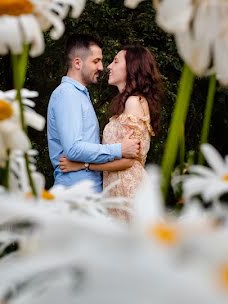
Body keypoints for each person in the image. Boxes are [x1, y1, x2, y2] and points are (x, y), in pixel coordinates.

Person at [59, 45, 163, 202]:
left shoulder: (134, 102)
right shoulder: (126, 104)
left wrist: (83, 165)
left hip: (129, 191)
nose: (108, 66)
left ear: (131, 67)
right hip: (116, 190)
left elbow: (128, 161)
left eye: (115, 61)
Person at [47, 34, 141, 193]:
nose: (101, 67)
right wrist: (119, 149)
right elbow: (74, 149)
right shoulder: (67, 95)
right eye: (96, 61)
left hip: (86, 191)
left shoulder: (80, 95)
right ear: (77, 63)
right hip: (75, 193)